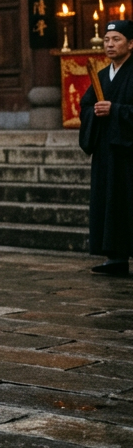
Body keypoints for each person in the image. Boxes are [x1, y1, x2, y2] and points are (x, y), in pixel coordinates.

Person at [79, 19, 133, 276]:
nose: (109, 45)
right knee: (110, 200)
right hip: (106, 151)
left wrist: (116, 110)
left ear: (131, 44)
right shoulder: (101, 76)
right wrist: (94, 112)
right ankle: (115, 257)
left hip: (129, 151)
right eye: (107, 40)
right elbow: (86, 106)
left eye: (116, 39)